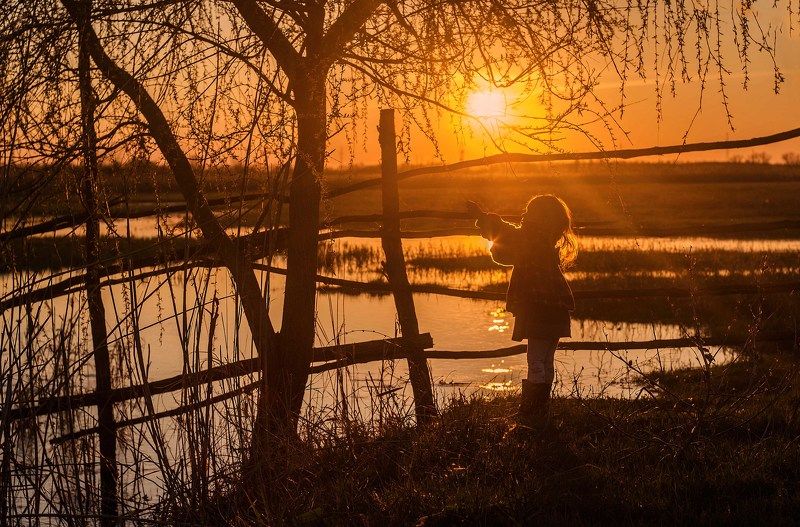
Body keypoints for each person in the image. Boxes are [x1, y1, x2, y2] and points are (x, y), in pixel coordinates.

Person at [468, 195, 577, 431]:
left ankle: (530, 416)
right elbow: (508, 239)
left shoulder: (531, 239)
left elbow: (505, 236)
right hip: (555, 309)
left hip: (538, 307)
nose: (524, 215)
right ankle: (540, 414)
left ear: (539, 217)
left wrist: (482, 216)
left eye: (529, 212)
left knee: (536, 361)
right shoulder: (547, 240)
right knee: (546, 361)